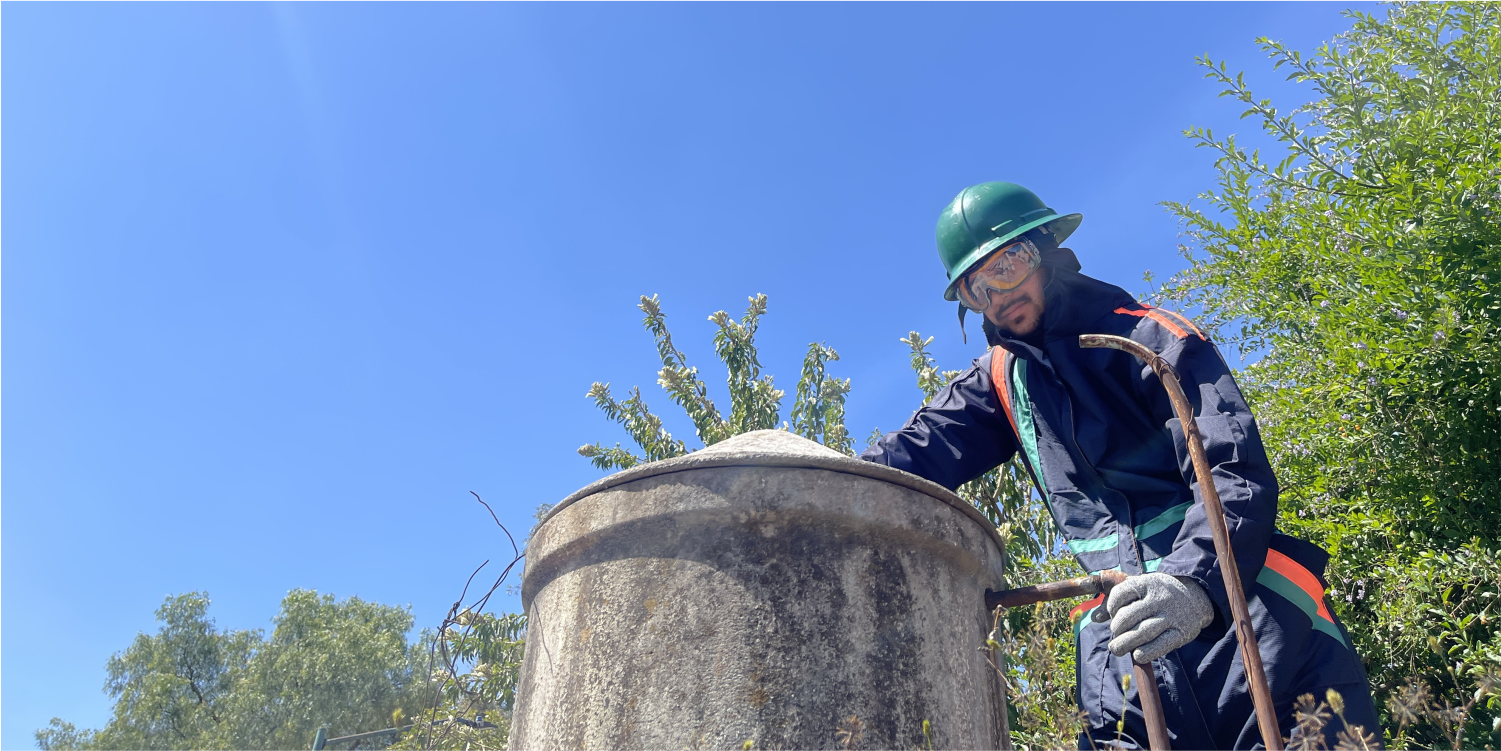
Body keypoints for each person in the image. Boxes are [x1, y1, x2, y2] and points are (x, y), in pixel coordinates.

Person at [861, 182, 1381, 749]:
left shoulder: (1151, 338)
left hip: (1255, 617)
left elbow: (1233, 471)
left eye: (1007, 265)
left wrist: (1194, 580)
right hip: (1124, 646)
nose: (997, 295)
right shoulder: (999, 383)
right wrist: (811, 475)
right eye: (976, 287)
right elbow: (909, 456)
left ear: (1046, 250)